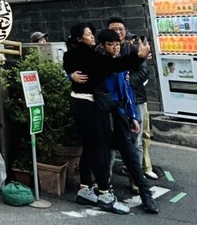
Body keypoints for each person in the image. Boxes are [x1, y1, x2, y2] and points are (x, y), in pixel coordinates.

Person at [63, 22, 151, 214]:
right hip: (90, 105)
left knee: (89, 147)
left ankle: (85, 190)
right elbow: (114, 65)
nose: (92, 37)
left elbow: (70, 67)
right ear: (79, 38)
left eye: (92, 33)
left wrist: (70, 76)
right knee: (100, 148)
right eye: (88, 34)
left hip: (78, 103)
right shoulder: (90, 55)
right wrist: (138, 56)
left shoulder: (71, 54)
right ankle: (105, 195)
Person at [97, 29, 158, 214]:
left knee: (130, 155)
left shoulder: (122, 64)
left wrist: (132, 116)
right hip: (104, 115)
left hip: (121, 114)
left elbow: (127, 91)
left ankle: (146, 195)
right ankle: (105, 191)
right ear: (102, 46)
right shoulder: (100, 63)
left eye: (117, 44)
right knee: (105, 155)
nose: (115, 48)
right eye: (110, 44)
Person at [107, 17, 158, 182]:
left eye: (120, 29)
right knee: (110, 142)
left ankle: (136, 180)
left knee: (136, 141)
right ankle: (106, 182)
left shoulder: (134, 49)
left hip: (135, 100)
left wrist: (125, 82)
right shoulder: (102, 50)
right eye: (113, 29)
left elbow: (143, 72)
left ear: (125, 31)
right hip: (112, 103)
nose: (118, 32)